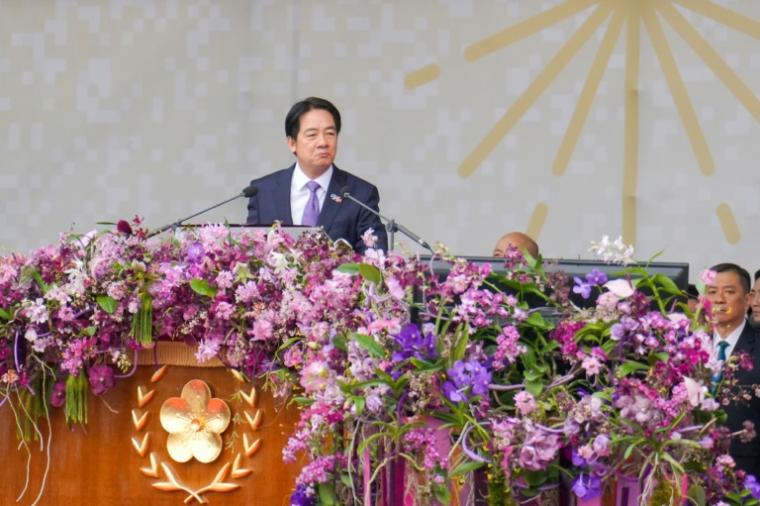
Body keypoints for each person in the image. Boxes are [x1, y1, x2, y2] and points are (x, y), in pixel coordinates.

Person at [246, 97, 387, 253]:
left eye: (330, 134)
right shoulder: (263, 192)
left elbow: (375, 262)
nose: (323, 143)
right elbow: (252, 253)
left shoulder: (360, 195)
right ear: (292, 143)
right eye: (312, 135)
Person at [703, 263, 760, 477]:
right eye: (712, 292)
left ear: (747, 300)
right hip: (691, 478)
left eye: (729, 292)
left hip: (746, 480)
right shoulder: (689, 347)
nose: (719, 299)